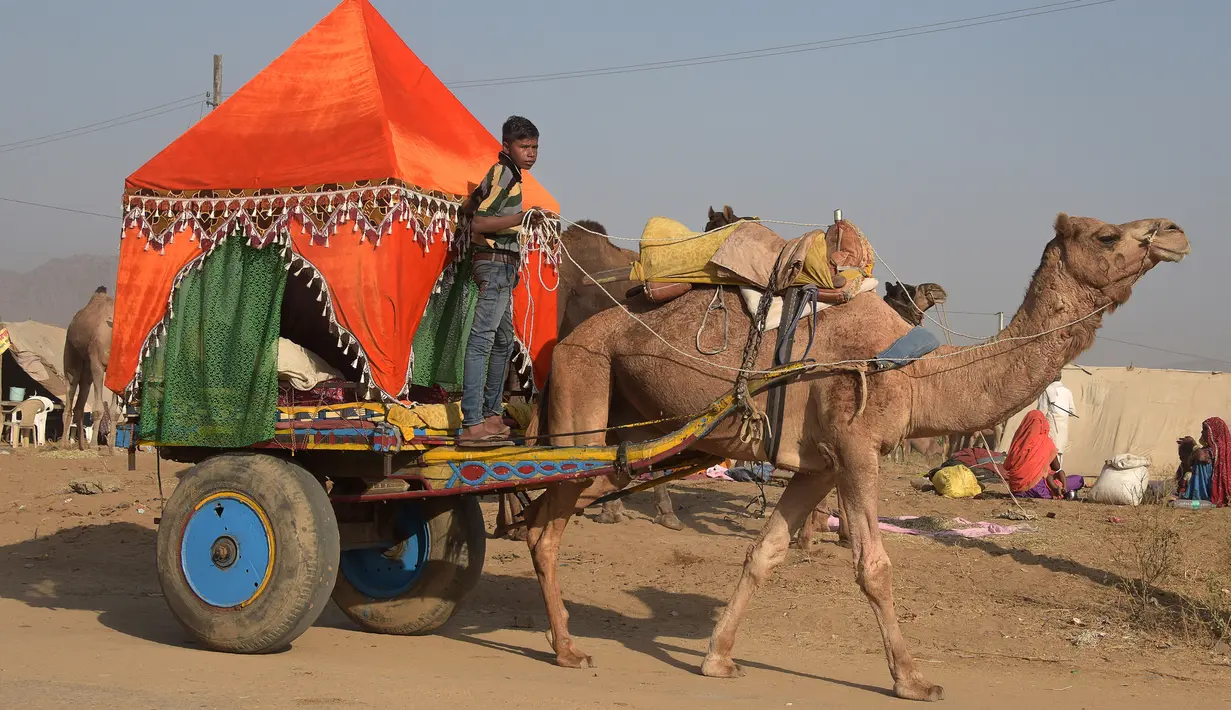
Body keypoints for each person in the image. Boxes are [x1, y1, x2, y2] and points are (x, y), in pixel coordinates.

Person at [458, 116, 540, 446]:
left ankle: (492, 415)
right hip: (494, 266)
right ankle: (473, 422)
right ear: (507, 147)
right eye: (525, 147)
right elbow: (478, 222)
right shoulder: (505, 174)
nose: (531, 153)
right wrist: (523, 217)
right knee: (482, 341)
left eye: (535, 147)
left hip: (503, 268)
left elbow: (472, 205)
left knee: (504, 342)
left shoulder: (509, 175)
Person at [1004, 410, 1083, 499]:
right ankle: (1059, 491)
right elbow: (1056, 467)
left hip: (1016, 490)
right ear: (1043, 424)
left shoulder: (1017, 442)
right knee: (1078, 479)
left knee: (1049, 478)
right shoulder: (1045, 443)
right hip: (1038, 489)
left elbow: (1007, 465)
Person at [1037, 374, 1076, 467]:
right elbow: (1072, 411)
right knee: (1059, 453)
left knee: (1049, 451)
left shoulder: (1047, 390)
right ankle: (1058, 475)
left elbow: (1041, 412)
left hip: (1050, 426)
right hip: (1063, 427)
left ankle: (1051, 476)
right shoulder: (1067, 391)